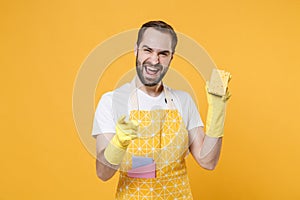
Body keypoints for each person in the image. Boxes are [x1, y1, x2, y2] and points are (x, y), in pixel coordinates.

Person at [92, 21, 231, 199]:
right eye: (147, 50)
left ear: (171, 57)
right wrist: (118, 143)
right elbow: (103, 173)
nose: (154, 60)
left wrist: (218, 109)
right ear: (136, 50)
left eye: (163, 53)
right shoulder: (112, 101)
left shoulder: (183, 101)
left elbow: (208, 161)